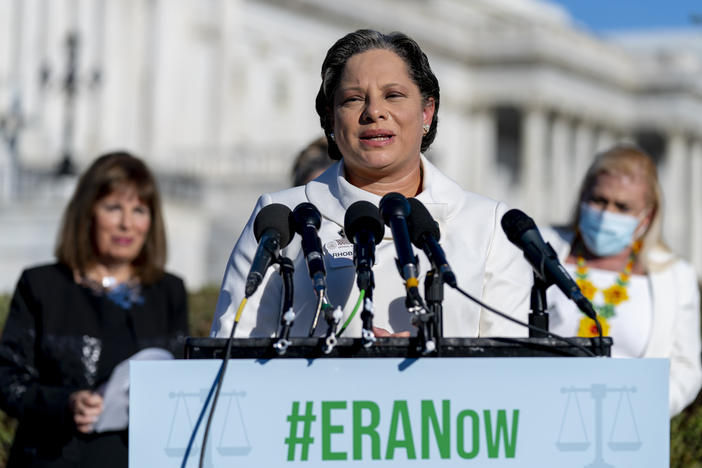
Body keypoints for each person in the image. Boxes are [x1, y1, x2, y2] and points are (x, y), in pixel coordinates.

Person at [211, 29, 531, 339]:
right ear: (331, 117)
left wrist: (430, 362)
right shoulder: (280, 217)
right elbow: (234, 350)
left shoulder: (488, 226)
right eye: (353, 99)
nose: (374, 112)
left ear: (427, 112)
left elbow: (511, 368)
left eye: (393, 95)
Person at [0, 152, 189, 466]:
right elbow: (7, 379)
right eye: (113, 207)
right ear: (87, 213)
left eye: (139, 210)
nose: (127, 224)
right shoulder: (42, 285)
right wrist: (66, 403)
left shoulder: (169, 291)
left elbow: (183, 381)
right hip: (55, 458)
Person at [542, 143, 702, 416]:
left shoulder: (676, 277)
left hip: (630, 426)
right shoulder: (542, 248)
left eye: (622, 206)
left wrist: (648, 407)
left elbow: (686, 369)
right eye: (599, 200)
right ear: (582, 197)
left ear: (646, 217)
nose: (607, 214)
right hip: (543, 411)